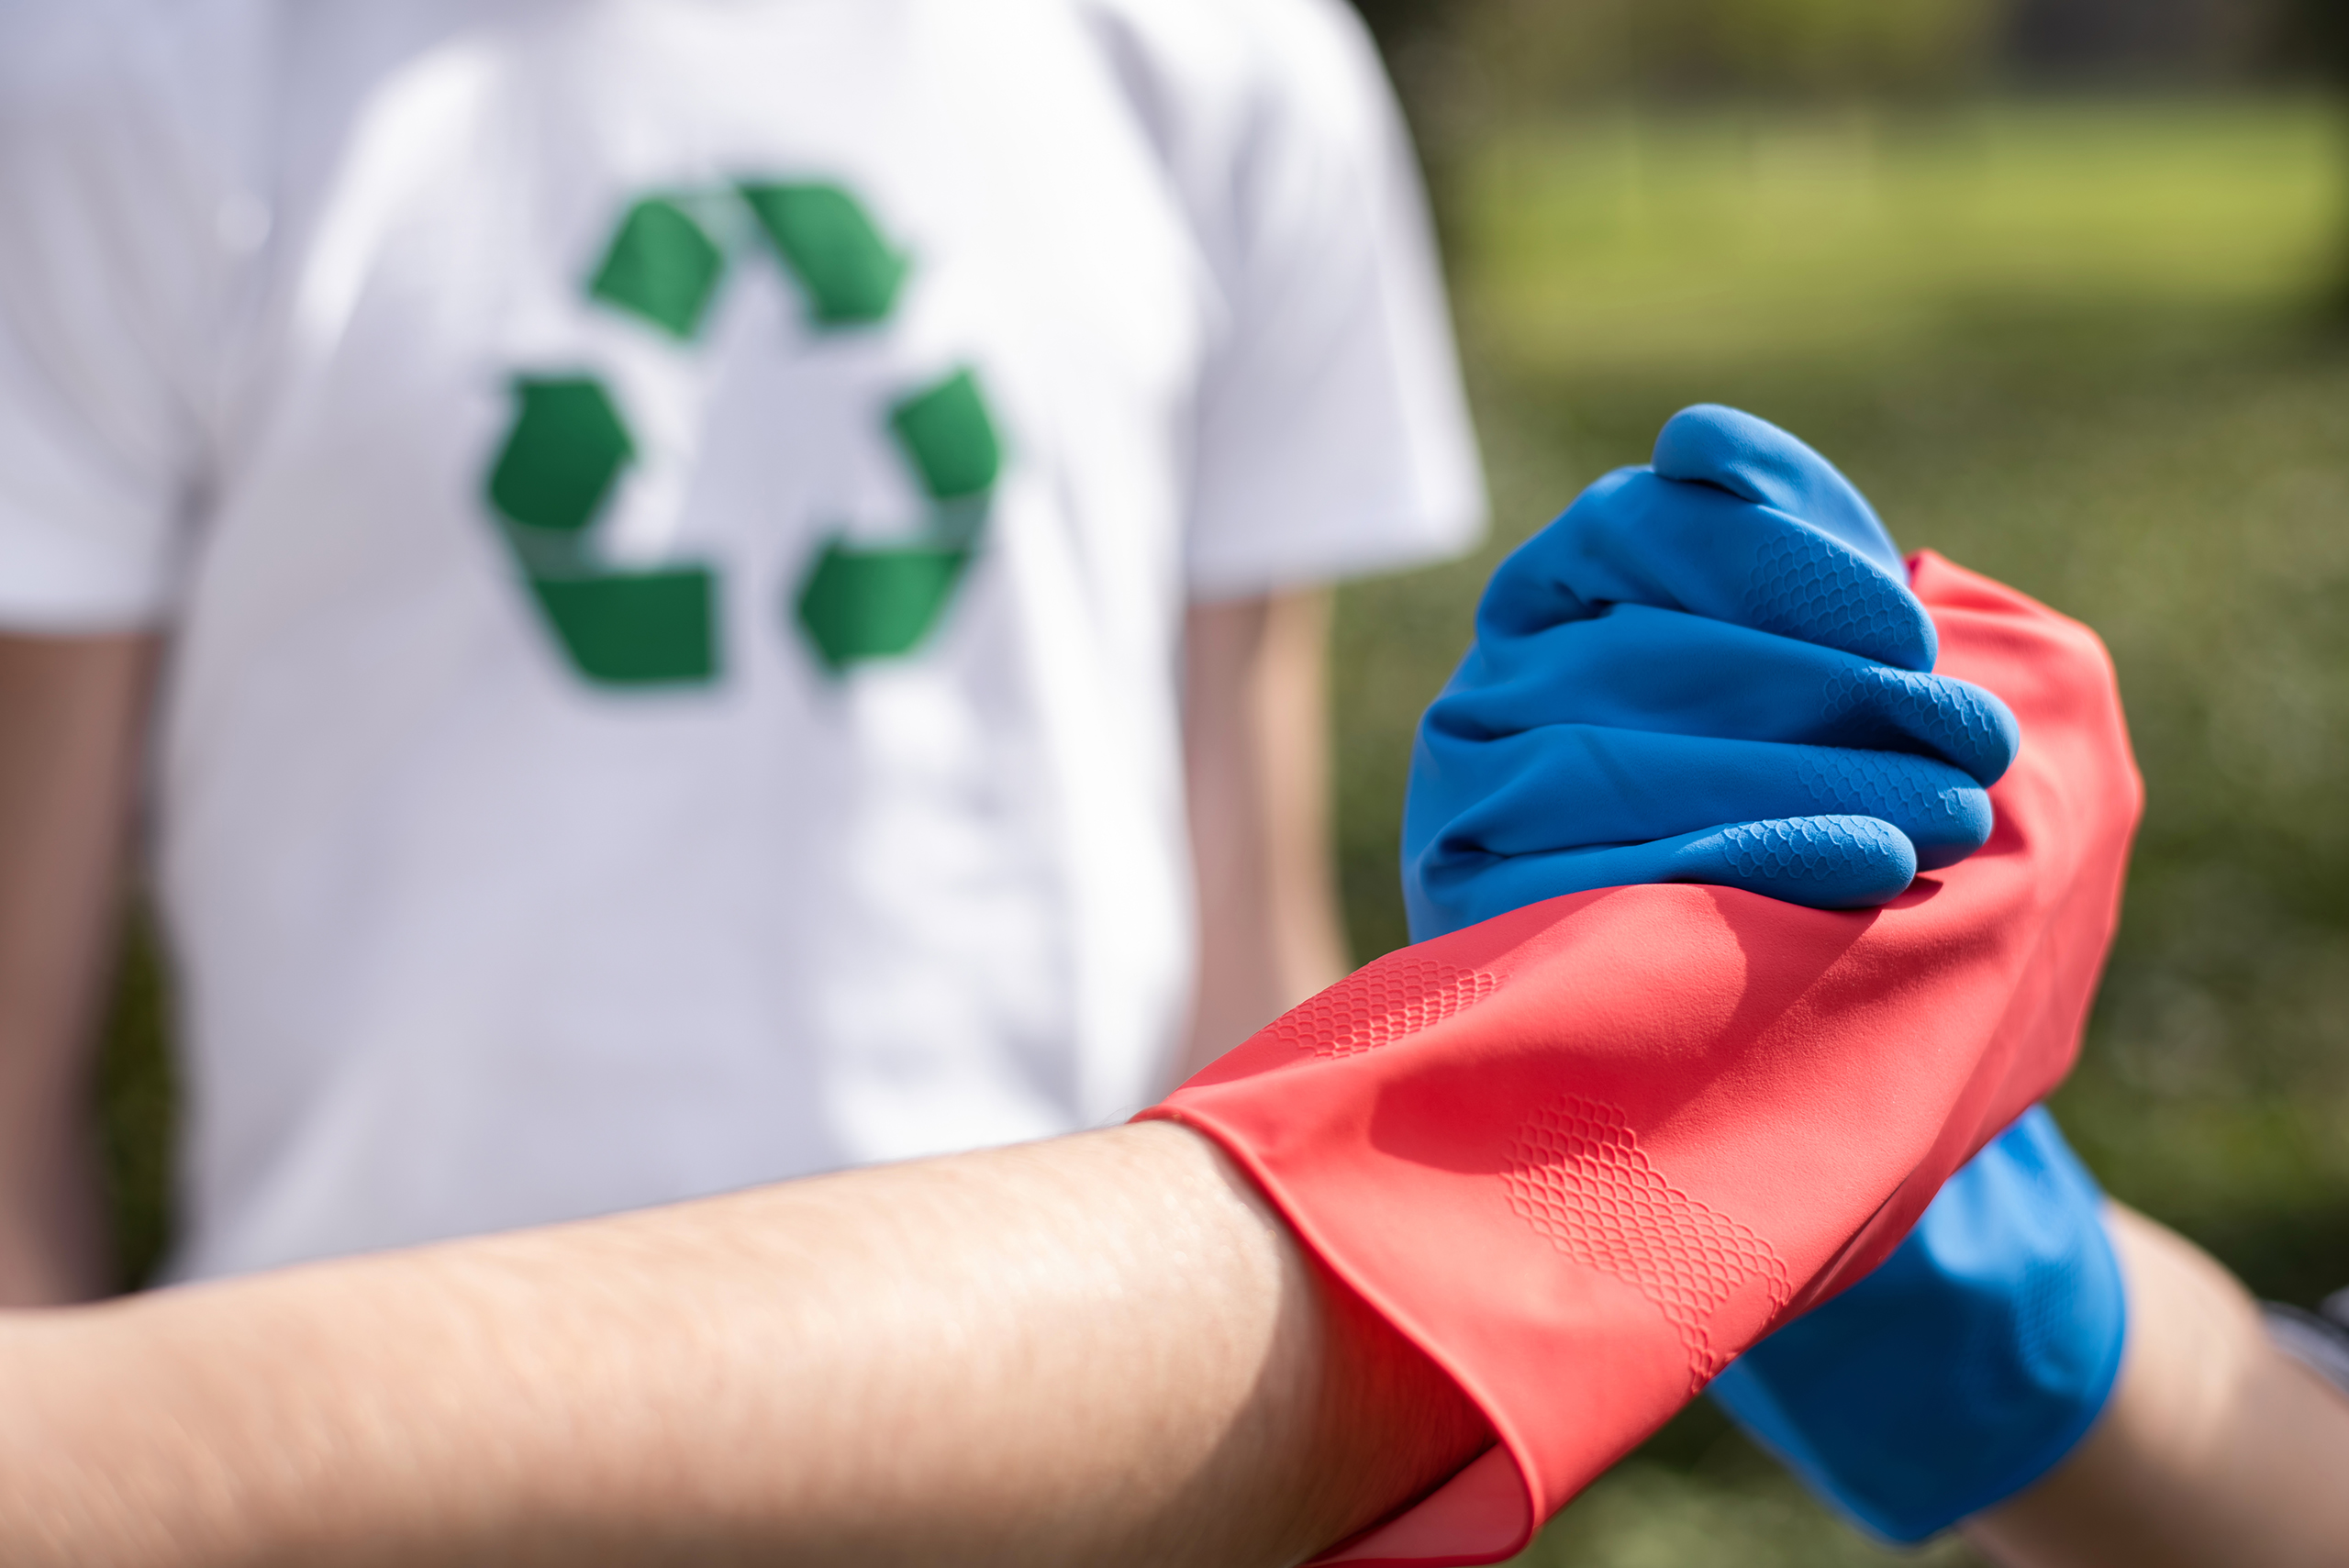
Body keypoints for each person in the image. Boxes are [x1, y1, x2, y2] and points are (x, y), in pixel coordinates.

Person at [0, 406, 2156, 1564]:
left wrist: (2020, 1308)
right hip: (1095, 1409)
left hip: (1136, 1469)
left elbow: (1239, 894)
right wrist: (1555, 1178)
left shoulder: (1209, 58)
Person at [0, 0, 1484, 1298]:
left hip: (1051, 1422)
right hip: (346, 1453)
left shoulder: (1227, 67)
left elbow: (1248, 940)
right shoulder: (119, 77)